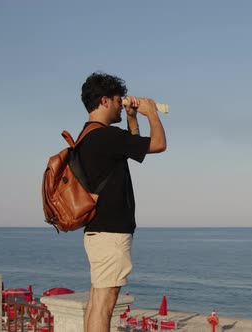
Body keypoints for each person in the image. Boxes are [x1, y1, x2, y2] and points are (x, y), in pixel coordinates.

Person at [78, 72, 167, 331]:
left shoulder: (89, 136)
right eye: (118, 100)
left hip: (97, 230)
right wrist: (152, 113)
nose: (121, 104)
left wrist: (131, 118)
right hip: (111, 232)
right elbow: (158, 144)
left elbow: (134, 147)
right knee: (105, 304)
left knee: (96, 300)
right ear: (105, 100)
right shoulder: (107, 137)